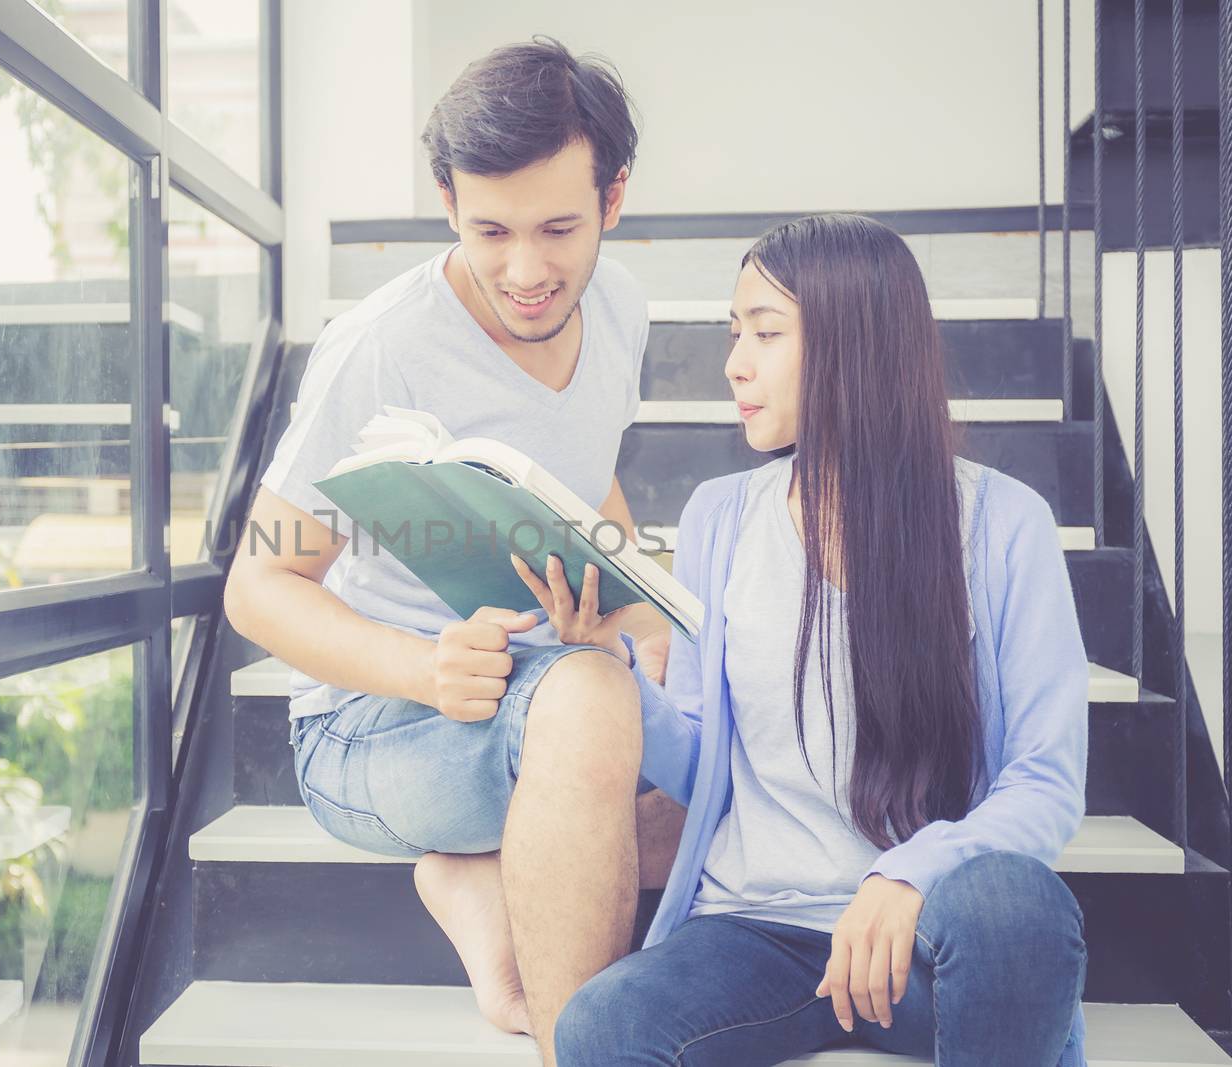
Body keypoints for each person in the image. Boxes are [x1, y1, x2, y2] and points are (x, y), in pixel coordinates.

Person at [523, 214, 1091, 1066]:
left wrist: (907, 873)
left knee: (1018, 909)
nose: (734, 364)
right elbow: (702, 759)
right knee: (601, 1026)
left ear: (852, 346)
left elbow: (1046, 782)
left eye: (765, 333)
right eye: (733, 333)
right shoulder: (721, 515)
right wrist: (611, 666)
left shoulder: (1006, 523)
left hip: (925, 932)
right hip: (757, 931)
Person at [222, 37, 684, 1063]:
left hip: (530, 681)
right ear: (447, 202)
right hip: (371, 726)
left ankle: (475, 882)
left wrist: (637, 611)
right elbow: (257, 589)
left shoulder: (619, 309)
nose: (525, 270)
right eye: (491, 230)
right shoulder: (380, 345)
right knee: (594, 704)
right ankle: (586, 1048)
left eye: (559, 227)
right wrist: (424, 670)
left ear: (614, 198)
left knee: (728, 768)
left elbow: (587, 477)